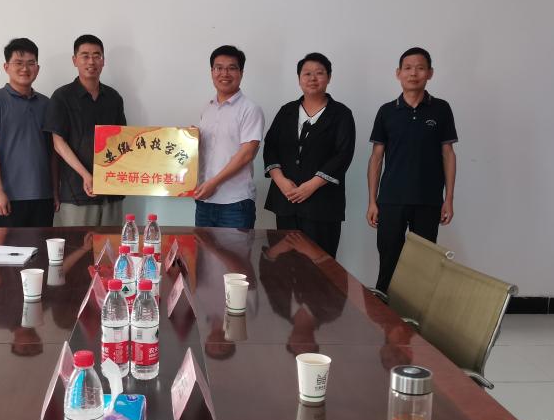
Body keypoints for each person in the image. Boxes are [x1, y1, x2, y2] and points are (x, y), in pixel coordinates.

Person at [367, 47, 458, 292]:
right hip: (391, 200)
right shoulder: (387, 111)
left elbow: (448, 154)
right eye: (407, 68)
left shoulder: (441, 109)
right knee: (388, 259)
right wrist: (372, 201)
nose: (413, 73)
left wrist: (448, 199)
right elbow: (376, 157)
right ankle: (383, 309)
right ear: (398, 73)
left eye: (420, 68)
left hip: (428, 200)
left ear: (430, 73)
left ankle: (416, 311)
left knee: (424, 264)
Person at [263, 52, 356, 257]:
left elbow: (343, 154)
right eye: (307, 74)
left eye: (319, 73)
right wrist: (281, 181)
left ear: (329, 77)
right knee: (286, 264)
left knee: (320, 262)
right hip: (287, 199)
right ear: (299, 79)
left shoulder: (341, 114)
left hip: (322, 204)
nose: (313, 78)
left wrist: (311, 185)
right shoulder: (286, 111)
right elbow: (270, 146)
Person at [44, 35, 128, 227]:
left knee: (111, 244)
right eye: (85, 56)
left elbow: (123, 141)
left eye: (97, 56)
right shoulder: (62, 97)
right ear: (75, 60)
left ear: (103, 61)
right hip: (76, 193)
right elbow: (58, 143)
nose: (91, 61)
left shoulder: (114, 98)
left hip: (111, 192)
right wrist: (86, 175)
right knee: (77, 245)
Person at [0, 38, 59, 228]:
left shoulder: (47, 104)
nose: (25, 68)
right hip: (8, 198)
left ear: (37, 68)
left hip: (43, 196)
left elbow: (53, 153)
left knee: (41, 247)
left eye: (31, 63)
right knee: (9, 248)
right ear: (6, 67)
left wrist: (55, 191)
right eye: (18, 63)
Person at [194, 45, 265, 229]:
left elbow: (246, 154)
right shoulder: (207, 108)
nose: (224, 73)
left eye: (231, 68)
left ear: (241, 73)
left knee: (236, 250)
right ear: (212, 72)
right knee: (202, 249)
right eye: (219, 68)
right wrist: (189, 140)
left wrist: (213, 183)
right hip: (204, 201)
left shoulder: (250, 109)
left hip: (235, 203)